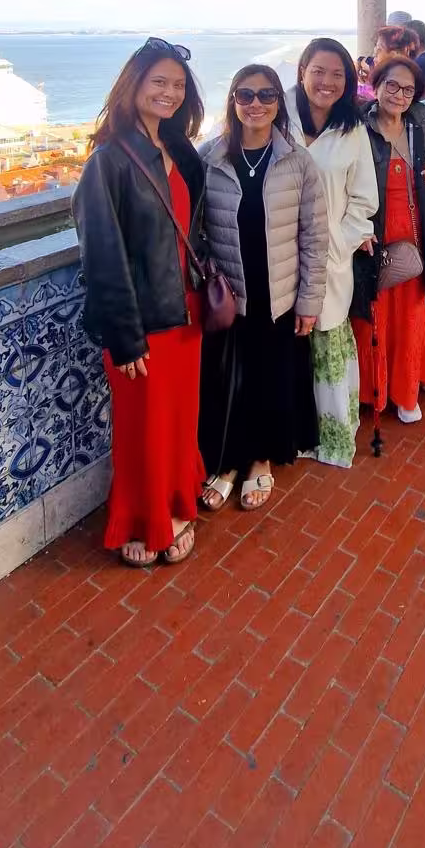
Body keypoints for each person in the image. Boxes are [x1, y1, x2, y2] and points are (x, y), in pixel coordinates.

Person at [72, 38, 207, 568]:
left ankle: (177, 507)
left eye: (178, 85)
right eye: (159, 83)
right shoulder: (108, 162)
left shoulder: (182, 151)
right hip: (141, 325)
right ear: (134, 86)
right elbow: (102, 257)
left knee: (177, 421)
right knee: (140, 431)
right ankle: (139, 518)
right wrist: (124, 336)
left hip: (186, 314)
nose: (169, 93)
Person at [198, 65, 327, 512]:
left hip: (280, 295)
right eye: (245, 94)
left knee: (270, 381)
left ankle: (260, 461)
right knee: (231, 384)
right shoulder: (210, 160)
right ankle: (228, 463)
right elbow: (194, 232)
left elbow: (314, 236)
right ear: (233, 101)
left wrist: (309, 301)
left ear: (279, 102)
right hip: (231, 298)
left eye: (266, 94)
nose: (256, 104)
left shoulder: (297, 161)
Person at [285, 39, 378, 468]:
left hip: (329, 259)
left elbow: (364, 200)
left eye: (337, 74)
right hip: (276, 257)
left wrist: (335, 244)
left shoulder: (352, 129)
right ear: (302, 70)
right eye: (318, 71)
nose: (327, 81)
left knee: (326, 342)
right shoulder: (276, 117)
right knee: (283, 348)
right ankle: (285, 436)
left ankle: (329, 437)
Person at [351, 56, 425, 426]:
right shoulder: (358, 127)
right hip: (374, 235)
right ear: (376, 85)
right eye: (392, 85)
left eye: (408, 89)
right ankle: (374, 388)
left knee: (411, 315)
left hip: (415, 234)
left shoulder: (419, 126)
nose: (399, 95)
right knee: (374, 313)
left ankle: (406, 389)